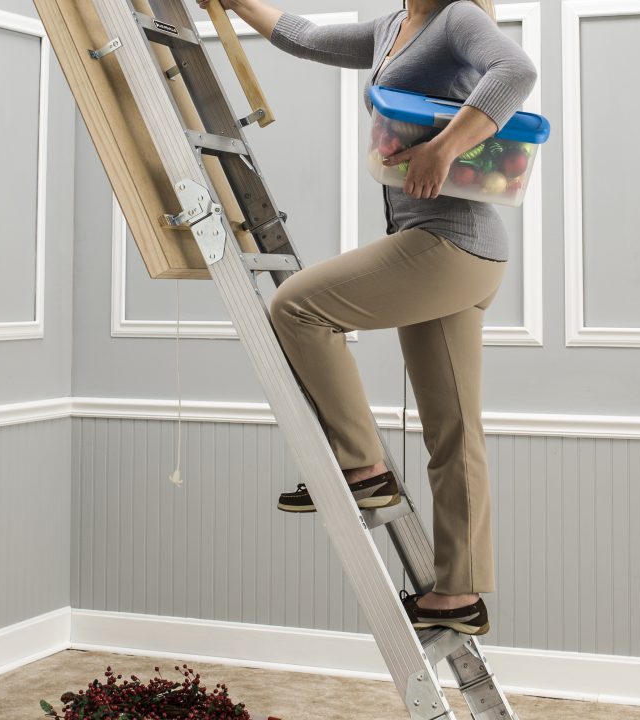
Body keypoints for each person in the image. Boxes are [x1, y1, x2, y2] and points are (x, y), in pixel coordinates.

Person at [196, 0, 538, 636]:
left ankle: (362, 467)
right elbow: (306, 37)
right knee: (454, 429)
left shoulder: (457, 16)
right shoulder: (391, 26)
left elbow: (515, 70)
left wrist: (444, 147)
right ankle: (458, 594)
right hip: (462, 254)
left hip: (448, 244)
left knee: (297, 305)